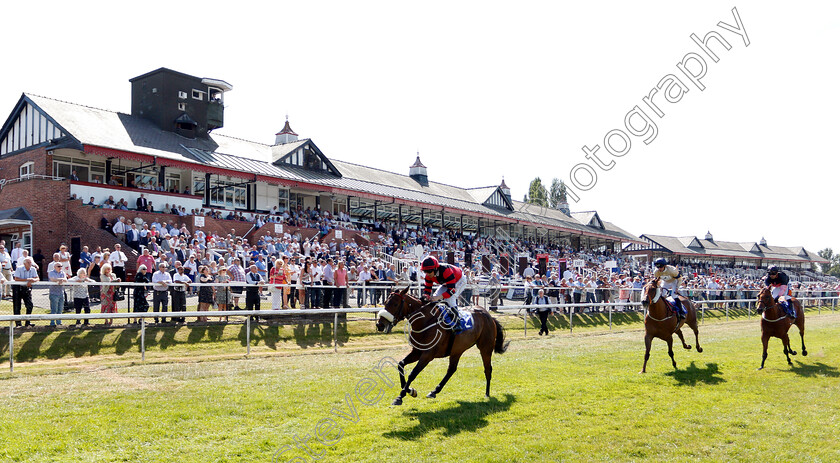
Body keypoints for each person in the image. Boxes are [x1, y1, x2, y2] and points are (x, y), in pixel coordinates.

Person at [420, 255, 466, 333]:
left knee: (450, 299)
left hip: (459, 280)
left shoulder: (446, 271)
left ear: (435, 268)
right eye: (425, 271)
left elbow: (452, 290)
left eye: (429, 271)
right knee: (433, 297)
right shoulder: (428, 276)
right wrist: (426, 297)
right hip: (446, 283)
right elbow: (427, 289)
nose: (427, 274)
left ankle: (457, 323)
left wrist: (439, 297)